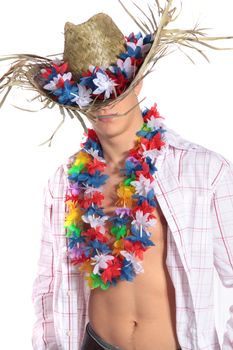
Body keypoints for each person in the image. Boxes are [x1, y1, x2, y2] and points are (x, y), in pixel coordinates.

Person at [0, 1, 233, 349]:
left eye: (115, 86)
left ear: (137, 85)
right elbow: (48, 288)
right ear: (75, 99)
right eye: (91, 92)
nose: (105, 103)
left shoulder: (204, 171)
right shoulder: (63, 183)